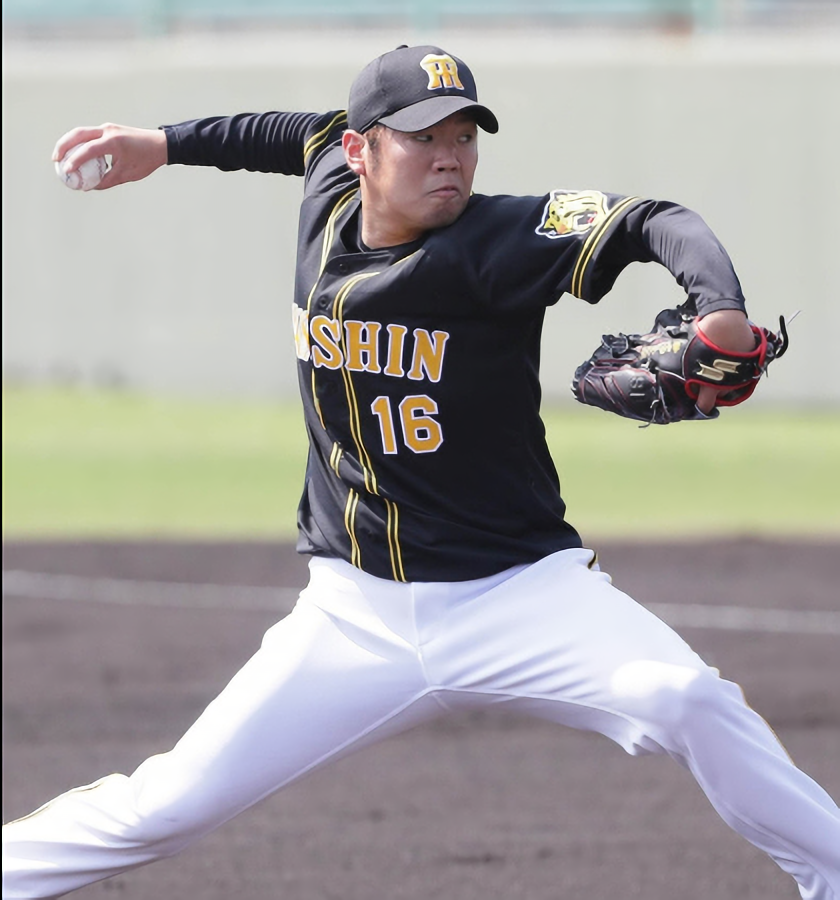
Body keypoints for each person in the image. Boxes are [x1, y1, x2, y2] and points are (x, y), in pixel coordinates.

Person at [3, 43, 839, 900]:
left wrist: (720, 307)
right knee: (167, 807)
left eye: (464, 136)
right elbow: (282, 133)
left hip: (521, 596)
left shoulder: (501, 239)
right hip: (353, 613)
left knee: (689, 699)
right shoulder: (330, 186)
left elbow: (652, 219)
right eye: (423, 137)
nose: (450, 157)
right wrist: (163, 143)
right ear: (360, 152)